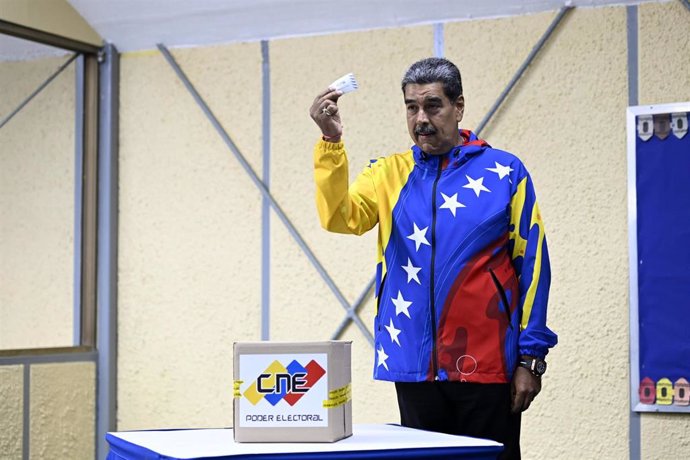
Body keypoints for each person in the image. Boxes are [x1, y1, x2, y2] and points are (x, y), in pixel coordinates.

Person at [309, 57, 557, 459]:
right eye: (411, 107)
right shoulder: (388, 172)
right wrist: (331, 143)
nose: (420, 118)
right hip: (412, 363)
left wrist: (531, 357)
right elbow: (341, 218)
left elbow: (534, 268)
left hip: (488, 364)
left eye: (433, 106)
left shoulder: (505, 172)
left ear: (458, 107)